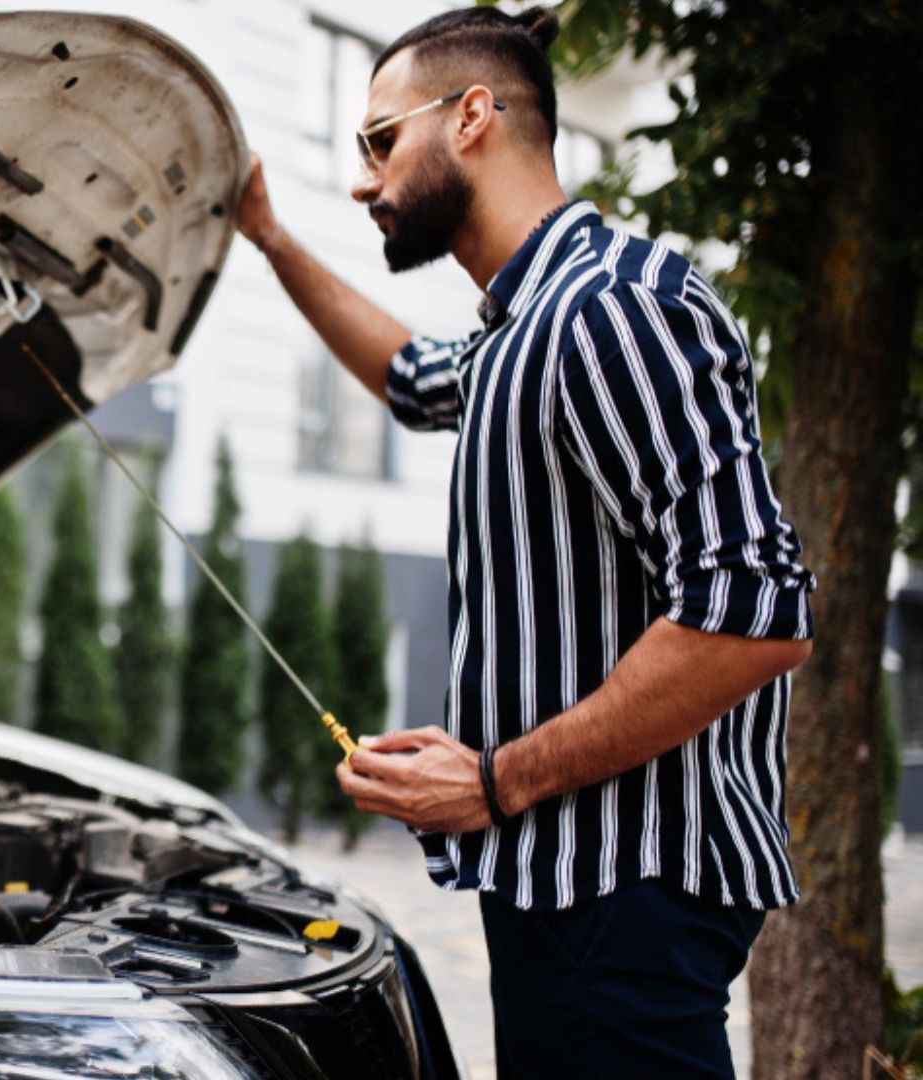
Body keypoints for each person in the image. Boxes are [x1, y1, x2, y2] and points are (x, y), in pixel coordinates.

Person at [233, 6, 815, 1077]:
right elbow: (411, 378)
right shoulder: (519, 330)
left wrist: (496, 779)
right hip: (569, 889)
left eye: (378, 141)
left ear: (472, 118)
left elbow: (755, 614)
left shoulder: (612, 309)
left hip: (625, 898)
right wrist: (269, 239)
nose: (365, 179)